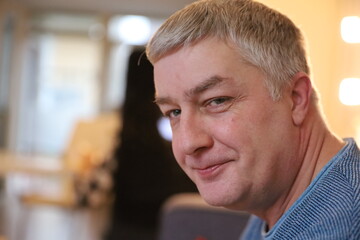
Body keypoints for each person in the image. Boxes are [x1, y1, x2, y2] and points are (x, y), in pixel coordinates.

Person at [146, 0, 360, 239]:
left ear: (296, 98)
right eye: (174, 112)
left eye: (216, 101)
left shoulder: (342, 230)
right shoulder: (274, 201)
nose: (187, 143)